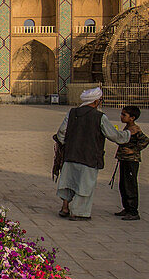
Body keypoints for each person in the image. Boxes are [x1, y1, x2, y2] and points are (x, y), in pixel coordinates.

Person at [55, 87, 131, 221]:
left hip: (71, 154)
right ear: (96, 101)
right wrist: (128, 134)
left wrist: (67, 145)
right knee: (84, 184)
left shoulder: (72, 113)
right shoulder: (99, 117)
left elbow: (61, 132)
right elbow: (114, 135)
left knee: (68, 181)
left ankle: (65, 207)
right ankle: (78, 212)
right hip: (89, 156)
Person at [114, 105, 149, 221]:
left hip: (131, 160)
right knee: (123, 184)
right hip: (124, 159)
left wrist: (133, 150)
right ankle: (127, 208)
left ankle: (133, 211)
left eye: (124, 115)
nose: (121, 116)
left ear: (132, 118)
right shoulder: (127, 128)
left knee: (130, 185)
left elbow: (145, 141)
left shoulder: (135, 129)